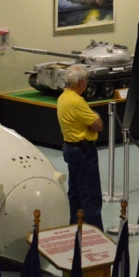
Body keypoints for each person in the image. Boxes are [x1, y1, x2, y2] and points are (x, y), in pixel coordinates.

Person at [57, 64, 104, 230]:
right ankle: (95, 233)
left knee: (75, 192)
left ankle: (75, 227)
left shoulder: (63, 97)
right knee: (91, 194)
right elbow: (98, 125)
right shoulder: (77, 102)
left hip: (70, 149)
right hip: (83, 151)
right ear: (81, 82)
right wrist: (95, 115)